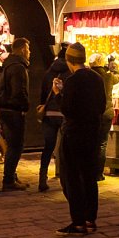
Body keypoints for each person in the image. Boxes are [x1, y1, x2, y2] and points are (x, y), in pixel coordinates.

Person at [57, 42, 106, 235]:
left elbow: (67, 109)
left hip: (74, 132)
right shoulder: (97, 78)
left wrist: (58, 94)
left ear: (69, 60)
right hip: (92, 132)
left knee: (72, 178)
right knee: (89, 176)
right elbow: (101, 106)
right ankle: (90, 219)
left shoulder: (72, 80)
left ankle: (78, 222)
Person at [0, 38, 31, 192]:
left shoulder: (8, 64)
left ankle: (11, 175)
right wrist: (25, 106)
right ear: (23, 49)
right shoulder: (18, 67)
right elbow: (19, 91)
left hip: (5, 109)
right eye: (28, 50)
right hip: (13, 111)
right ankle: (8, 180)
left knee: (13, 144)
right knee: (15, 146)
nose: (30, 53)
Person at [37, 44, 69, 192]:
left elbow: (43, 92)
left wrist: (43, 105)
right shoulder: (71, 72)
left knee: (48, 147)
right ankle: (65, 178)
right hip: (64, 113)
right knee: (64, 148)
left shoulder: (49, 72)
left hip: (49, 113)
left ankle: (42, 178)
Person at [88, 52, 119, 181]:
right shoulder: (107, 76)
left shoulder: (88, 76)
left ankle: (90, 170)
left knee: (92, 142)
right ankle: (99, 173)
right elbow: (118, 77)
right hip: (106, 113)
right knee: (102, 144)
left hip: (92, 113)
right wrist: (114, 66)